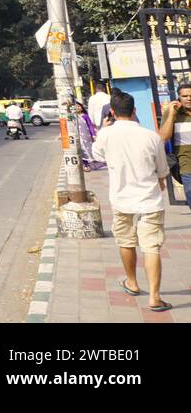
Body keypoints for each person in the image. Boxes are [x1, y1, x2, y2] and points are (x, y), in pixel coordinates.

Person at [92, 90, 171, 311]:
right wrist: (160, 183)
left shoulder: (106, 134)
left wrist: (103, 129)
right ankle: (155, 297)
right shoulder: (151, 136)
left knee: (126, 241)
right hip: (150, 199)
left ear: (113, 113)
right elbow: (162, 170)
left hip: (121, 198)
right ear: (134, 110)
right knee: (151, 247)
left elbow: (97, 155)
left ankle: (132, 282)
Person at [157, 82, 191, 206]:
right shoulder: (173, 113)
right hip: (187, 167)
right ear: (179, 97)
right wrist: (171, 114)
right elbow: (163, 138)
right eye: (185, 96)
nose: (189, 98)